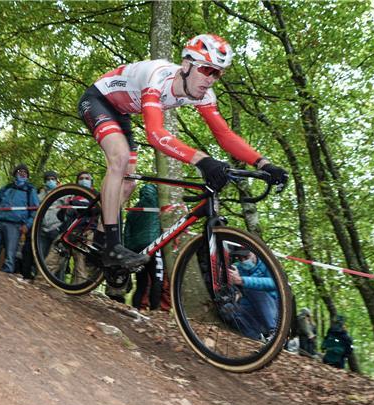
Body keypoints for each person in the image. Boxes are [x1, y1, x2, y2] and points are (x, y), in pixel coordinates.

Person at [78, 33, 288, 270]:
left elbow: (225, 135)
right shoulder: (158, 77)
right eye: (207, 70)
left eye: (218, 73)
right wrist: (202, 160)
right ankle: (113, 247)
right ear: (187, 65)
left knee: (128, 184)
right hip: (97, 100)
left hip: (122, 113)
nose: (211, 80)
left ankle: (98, 239)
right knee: (120, 158)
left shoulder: (204, 95)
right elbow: (155, 133)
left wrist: (263, 163)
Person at [0, 164, 39, 273]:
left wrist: (28, 225)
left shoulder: (30, 190)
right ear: (15, 174)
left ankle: (6, 280)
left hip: (15, 225)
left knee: (10, 256)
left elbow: (35, 209)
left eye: (25, 172)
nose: (22, 174)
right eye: (20, 172)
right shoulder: (7, 188)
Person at [123, 184, 162, 311]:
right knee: (157, 280)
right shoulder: (159, 207)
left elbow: (127, 233)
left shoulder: (133, 210)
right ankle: (155, 311)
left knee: (141, 284)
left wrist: (129, 251)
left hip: (138, 251)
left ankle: (136, 308)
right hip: (154, 247)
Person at [226, 247, 278, 340]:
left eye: (246, 257)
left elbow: (275, 283)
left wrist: (243, 281)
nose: (243, 261)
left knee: (254, 289)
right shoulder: (236, 267)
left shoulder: (267, 264)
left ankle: (274, 333)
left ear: (255, 253)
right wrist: (235, 290)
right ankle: (257, 339)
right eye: (239, 258)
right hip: (250, 310)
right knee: (228, 309)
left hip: (271, 309)